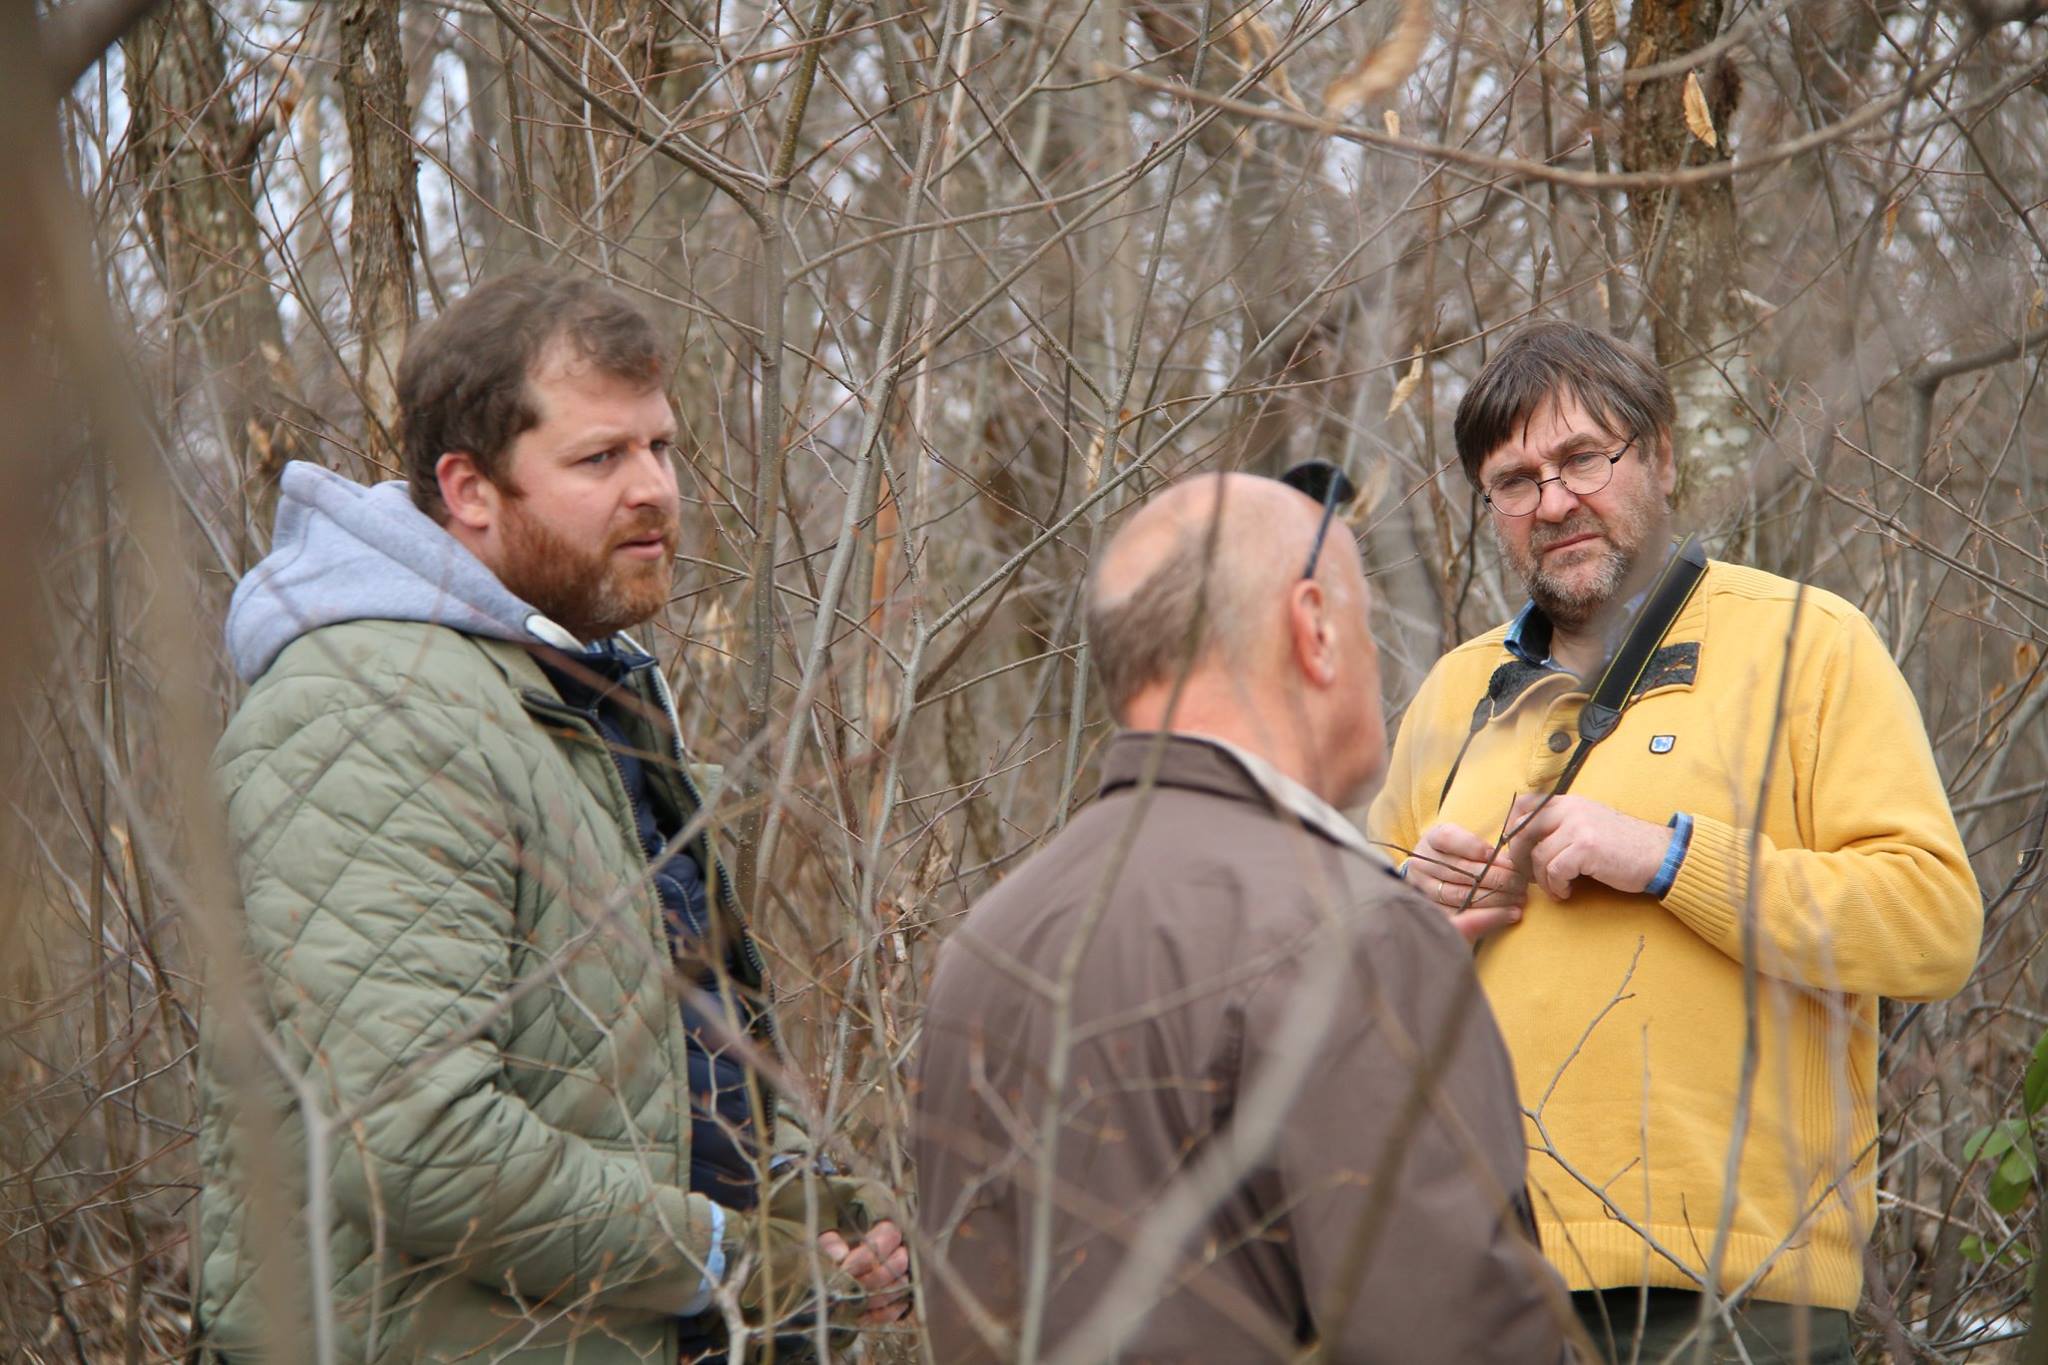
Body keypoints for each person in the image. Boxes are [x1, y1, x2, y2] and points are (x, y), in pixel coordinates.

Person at [194, 271, 910, 1363]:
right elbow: (418, 1143)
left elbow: (679, 1046)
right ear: (469, 489)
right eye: (600, 458)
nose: (654, 489)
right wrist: (730, 1258)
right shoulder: (370, 712)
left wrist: (809, 1206)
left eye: (660, 448)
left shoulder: (579, 686)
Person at [1367, 321, 1983, 1362]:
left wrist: (1665, 858)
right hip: (1482, 1289)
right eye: (1513, 481)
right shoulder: (1451, 693)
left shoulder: (1807, 642)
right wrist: (1405, 913)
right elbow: (1355, 1004)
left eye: (1581, 459)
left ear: (1658, 455)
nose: (1552, 502)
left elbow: (1931, 925)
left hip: (1735, 1292)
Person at [911, 472, 1576, 1363]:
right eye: (1366, 626)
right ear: (1315, 629)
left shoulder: (984, 942)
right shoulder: (1355, 932)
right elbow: (1460, 1339)